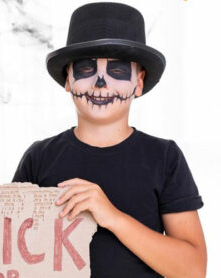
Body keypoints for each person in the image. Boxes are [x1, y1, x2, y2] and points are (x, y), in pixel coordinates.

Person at [12, 3, 206, 278]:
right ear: (68, 78)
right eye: (85, 68)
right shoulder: (39, 157)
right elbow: (7, 250)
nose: (100, 82)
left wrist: (112, 217)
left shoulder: (164, 158)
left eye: (117, 71)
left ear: (138, 82)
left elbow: (194, 270)